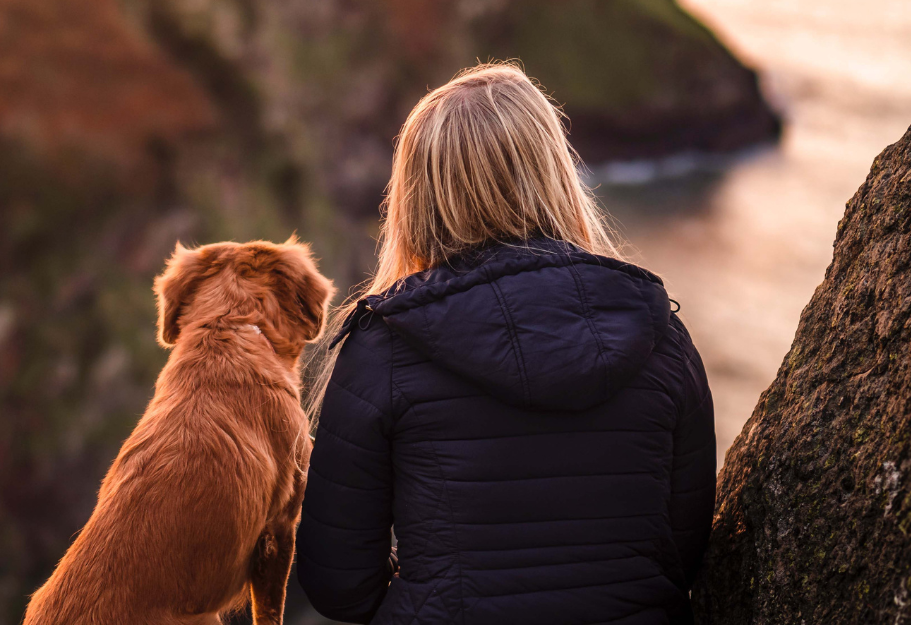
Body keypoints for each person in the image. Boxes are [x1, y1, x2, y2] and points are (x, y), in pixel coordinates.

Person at [295, 63, 716, 625]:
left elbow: (337, 586)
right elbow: (683, 554)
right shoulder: (658, 333)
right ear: (554, 171)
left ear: (418, 195)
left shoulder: (384, 348)